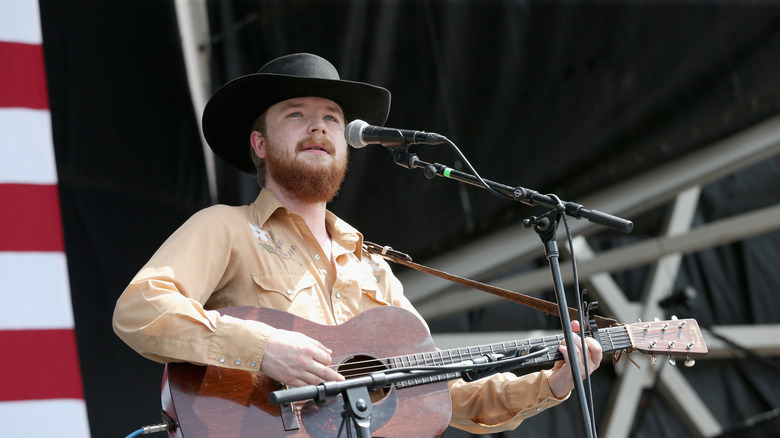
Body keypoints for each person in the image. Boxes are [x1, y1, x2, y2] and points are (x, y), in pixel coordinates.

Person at [112, 52, 602, 434]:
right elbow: (139, 309)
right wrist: (262, 348)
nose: (318, 126)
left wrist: (553, 383)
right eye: (296, 114)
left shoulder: (371, 266)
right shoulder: (226, 228)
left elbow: (441, 394)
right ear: (259, 144)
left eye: (331, 117)